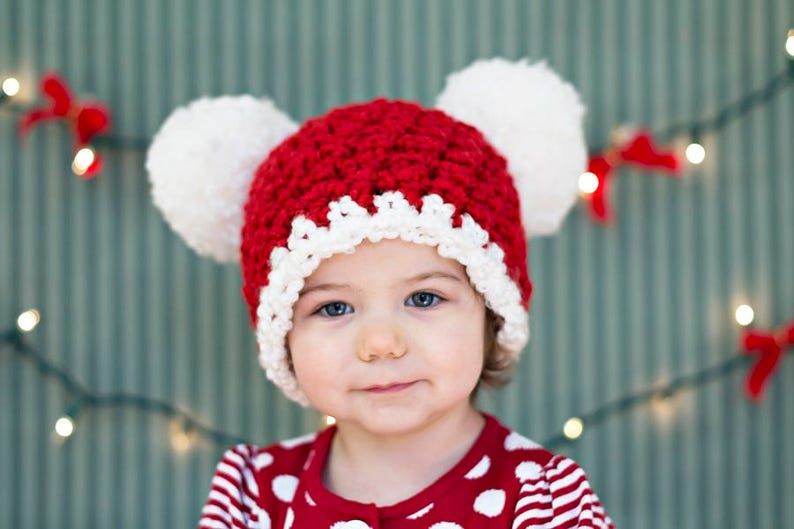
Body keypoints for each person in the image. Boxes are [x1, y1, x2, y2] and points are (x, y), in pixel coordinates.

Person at [147, 58, 615, 528]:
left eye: (424, 298)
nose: (380, 342)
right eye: (333, 307)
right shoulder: (253, 497)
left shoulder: (544, 498)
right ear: (282, 334)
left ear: (490, 311)